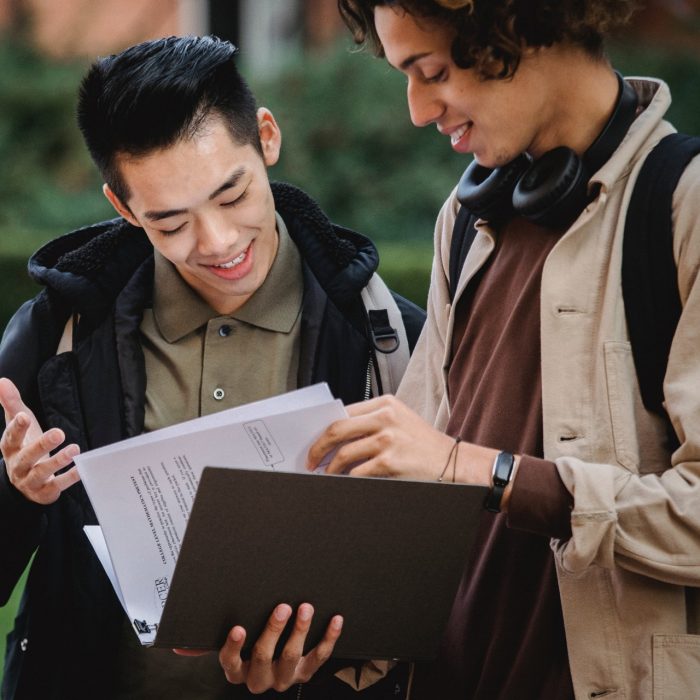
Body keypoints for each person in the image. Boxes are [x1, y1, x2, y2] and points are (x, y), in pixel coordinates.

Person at [0, 35, 424, 699]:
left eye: (232, 197)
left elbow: (433, 587)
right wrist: (16, 492)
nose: (218, 243)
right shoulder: (58, 335)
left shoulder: (390, 340)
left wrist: (327, 668)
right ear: (124, 209)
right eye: (170, 223)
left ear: (266, 137)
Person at [307, 1, 700, 698]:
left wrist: (491, 474)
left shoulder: (684, 206)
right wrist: (313, 640)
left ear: (516, 27)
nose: (418, 110)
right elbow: (415, 499)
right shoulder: (465, 218)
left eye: (430, 71)